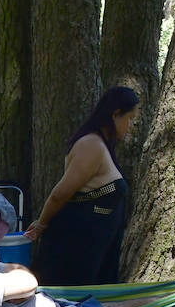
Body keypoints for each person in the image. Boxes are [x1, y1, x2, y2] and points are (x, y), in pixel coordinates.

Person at [23, 86, 139, 286]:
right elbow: (60, 194)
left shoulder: (102, 145)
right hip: (76, 248)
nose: (130, 125)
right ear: (115, 114)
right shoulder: (91, 145)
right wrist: (41, 224)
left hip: (94, 250)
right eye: (129, 118)